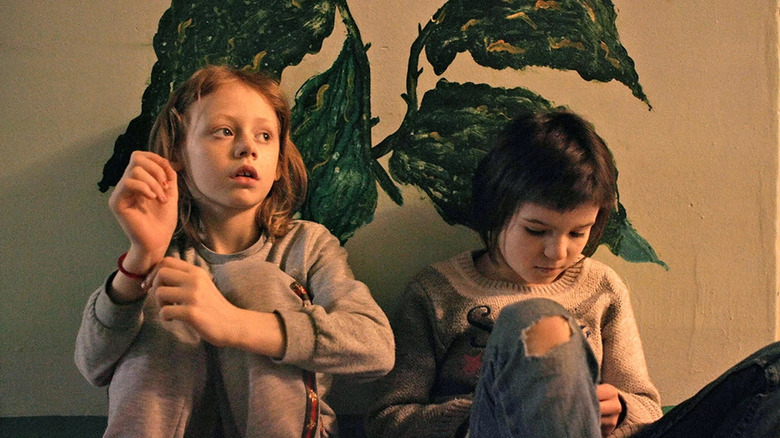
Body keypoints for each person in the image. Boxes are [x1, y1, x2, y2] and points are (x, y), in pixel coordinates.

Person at [365, 110, 780, 437]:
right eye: (536, 230)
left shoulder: (601, 287)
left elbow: (646, 405)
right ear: (498, 209)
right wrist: (498, 411)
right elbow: (389, 420)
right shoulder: (437, 291)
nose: (557, 251)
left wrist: (617, 409)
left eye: (578, 233)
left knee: (772, 371)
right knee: (541, 321)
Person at [75, 65, 394, 437]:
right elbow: (92, 365)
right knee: (162, 290)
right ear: (178, 153)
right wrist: (140, 260)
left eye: (264, 136)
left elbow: (376, 347)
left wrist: (233, 324)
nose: (247, 147)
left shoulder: (308, 245)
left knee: (252, 279)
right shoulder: (167, 256)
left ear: (278, 165)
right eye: (224, 131)